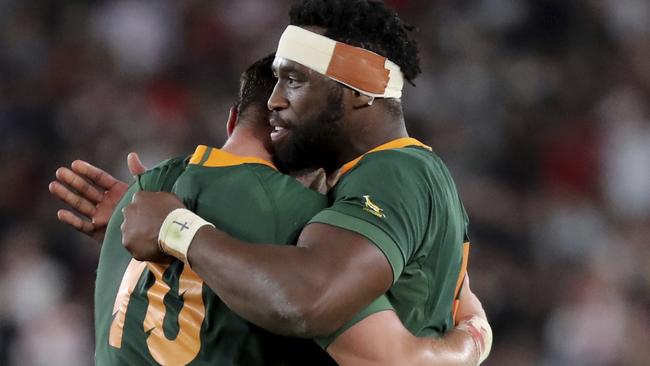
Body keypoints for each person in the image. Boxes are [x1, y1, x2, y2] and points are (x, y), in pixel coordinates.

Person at [51, 54, 490, 365]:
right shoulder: (290, 215)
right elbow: (391, 361)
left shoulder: (140, 194)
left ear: (231, 119)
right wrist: (472, 338)